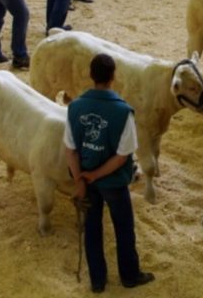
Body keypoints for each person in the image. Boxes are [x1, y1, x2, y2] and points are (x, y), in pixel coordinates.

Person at [64, 53, 155, 293]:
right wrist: (95, 175)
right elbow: (122, 156)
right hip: (113, 182)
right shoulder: (123, 111)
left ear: (91, 76)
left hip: (86, 179)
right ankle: (129, 275)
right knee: (124, 227)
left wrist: (81, 180)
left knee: (92, 227)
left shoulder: (74, 107)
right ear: (113, 77)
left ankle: (97, 280)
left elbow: (70, 150)